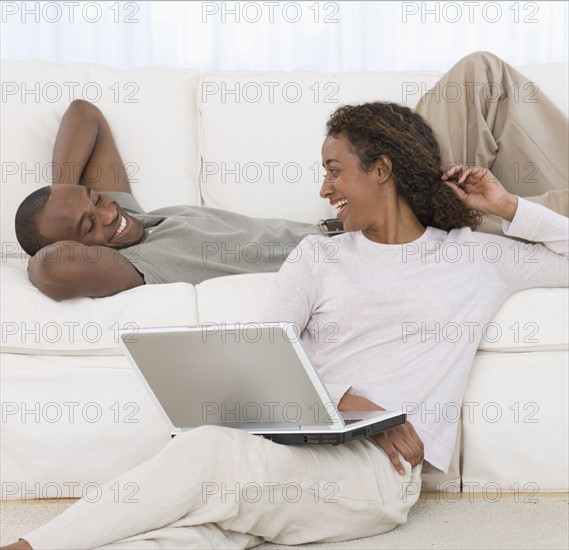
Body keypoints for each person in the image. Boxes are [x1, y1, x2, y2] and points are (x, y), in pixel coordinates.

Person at [2, 93, 567, 549]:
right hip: (296, 451)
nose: (322, 190)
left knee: (207, 456)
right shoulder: (318, 257)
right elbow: (266, 361)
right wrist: (353, 403)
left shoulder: (476, 257)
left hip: (375, 473)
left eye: (333, 171)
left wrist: (508, 208)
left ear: (382, 170)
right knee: (190, 532)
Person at [14, 52, 568, 301]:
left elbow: (83, 112)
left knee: (478, 77)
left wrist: (68, 196)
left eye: (97, 199)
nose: (109, 214)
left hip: (357, 206)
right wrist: (64, 226)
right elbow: (49, 266)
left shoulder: (130, 216)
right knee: (524, 222)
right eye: (90, 224)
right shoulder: (130, 268)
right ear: (81, 249)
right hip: (375, 239)